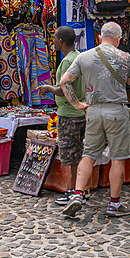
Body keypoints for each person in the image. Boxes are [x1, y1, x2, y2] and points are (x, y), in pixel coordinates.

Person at [58, 21, 130, 218]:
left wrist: (77, 105)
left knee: (88, 154)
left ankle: (77, 195)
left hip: (93, 111)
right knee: (118, 157)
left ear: (99, 36)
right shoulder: (125, 57)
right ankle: (114, 204)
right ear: (119, 39)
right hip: (117, 110)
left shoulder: (84, 57)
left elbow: (65, 82)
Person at [36, 26, 87, 206]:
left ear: (61, 41)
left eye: (55, 38)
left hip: (69, 113)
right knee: (78, 152)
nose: (53, 41)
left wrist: (49, 88)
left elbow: (64, 89)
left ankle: (73, 191)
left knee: (71, 154)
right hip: (80, 112)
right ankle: (80, 190)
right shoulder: (79, 57)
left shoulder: (66, 62)